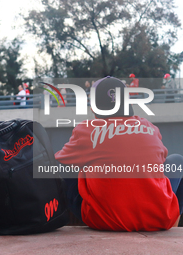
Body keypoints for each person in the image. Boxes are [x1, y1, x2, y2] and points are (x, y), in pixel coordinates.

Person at [55, 76, 183, 231]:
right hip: (160, 219)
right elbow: (160, 162)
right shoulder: (150, 128)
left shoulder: (87, 129)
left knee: (61, 169)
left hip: (104, 221)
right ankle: (173, 227)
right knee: (177, 161)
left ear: (94, 108)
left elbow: (59, 161)